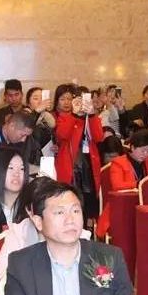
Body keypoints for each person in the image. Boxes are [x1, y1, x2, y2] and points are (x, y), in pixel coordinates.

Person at [1, 180, 141, 295]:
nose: (70, 220)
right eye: (60, 212)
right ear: (38, 222)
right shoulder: (22, 265)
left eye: (75, 211)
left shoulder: (109, 258)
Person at [53, 83, 105, 222]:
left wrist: (92, 114)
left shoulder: (92, 117)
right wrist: (75, 115)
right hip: (71, 166)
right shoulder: (65, 117)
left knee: (89, 204)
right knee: (69, 201)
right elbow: (62, 134)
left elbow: (99, 137)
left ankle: (88, 228)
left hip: (89, 166)